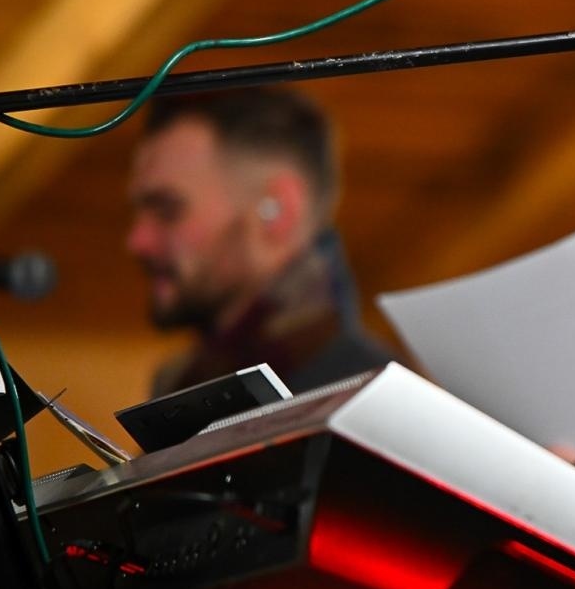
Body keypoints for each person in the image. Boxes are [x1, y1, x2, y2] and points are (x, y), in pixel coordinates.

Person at [125, 87, 395, 399]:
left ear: (278, 210)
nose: (137, 241)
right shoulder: (187, 385)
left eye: (167, 210)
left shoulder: (379, 404)